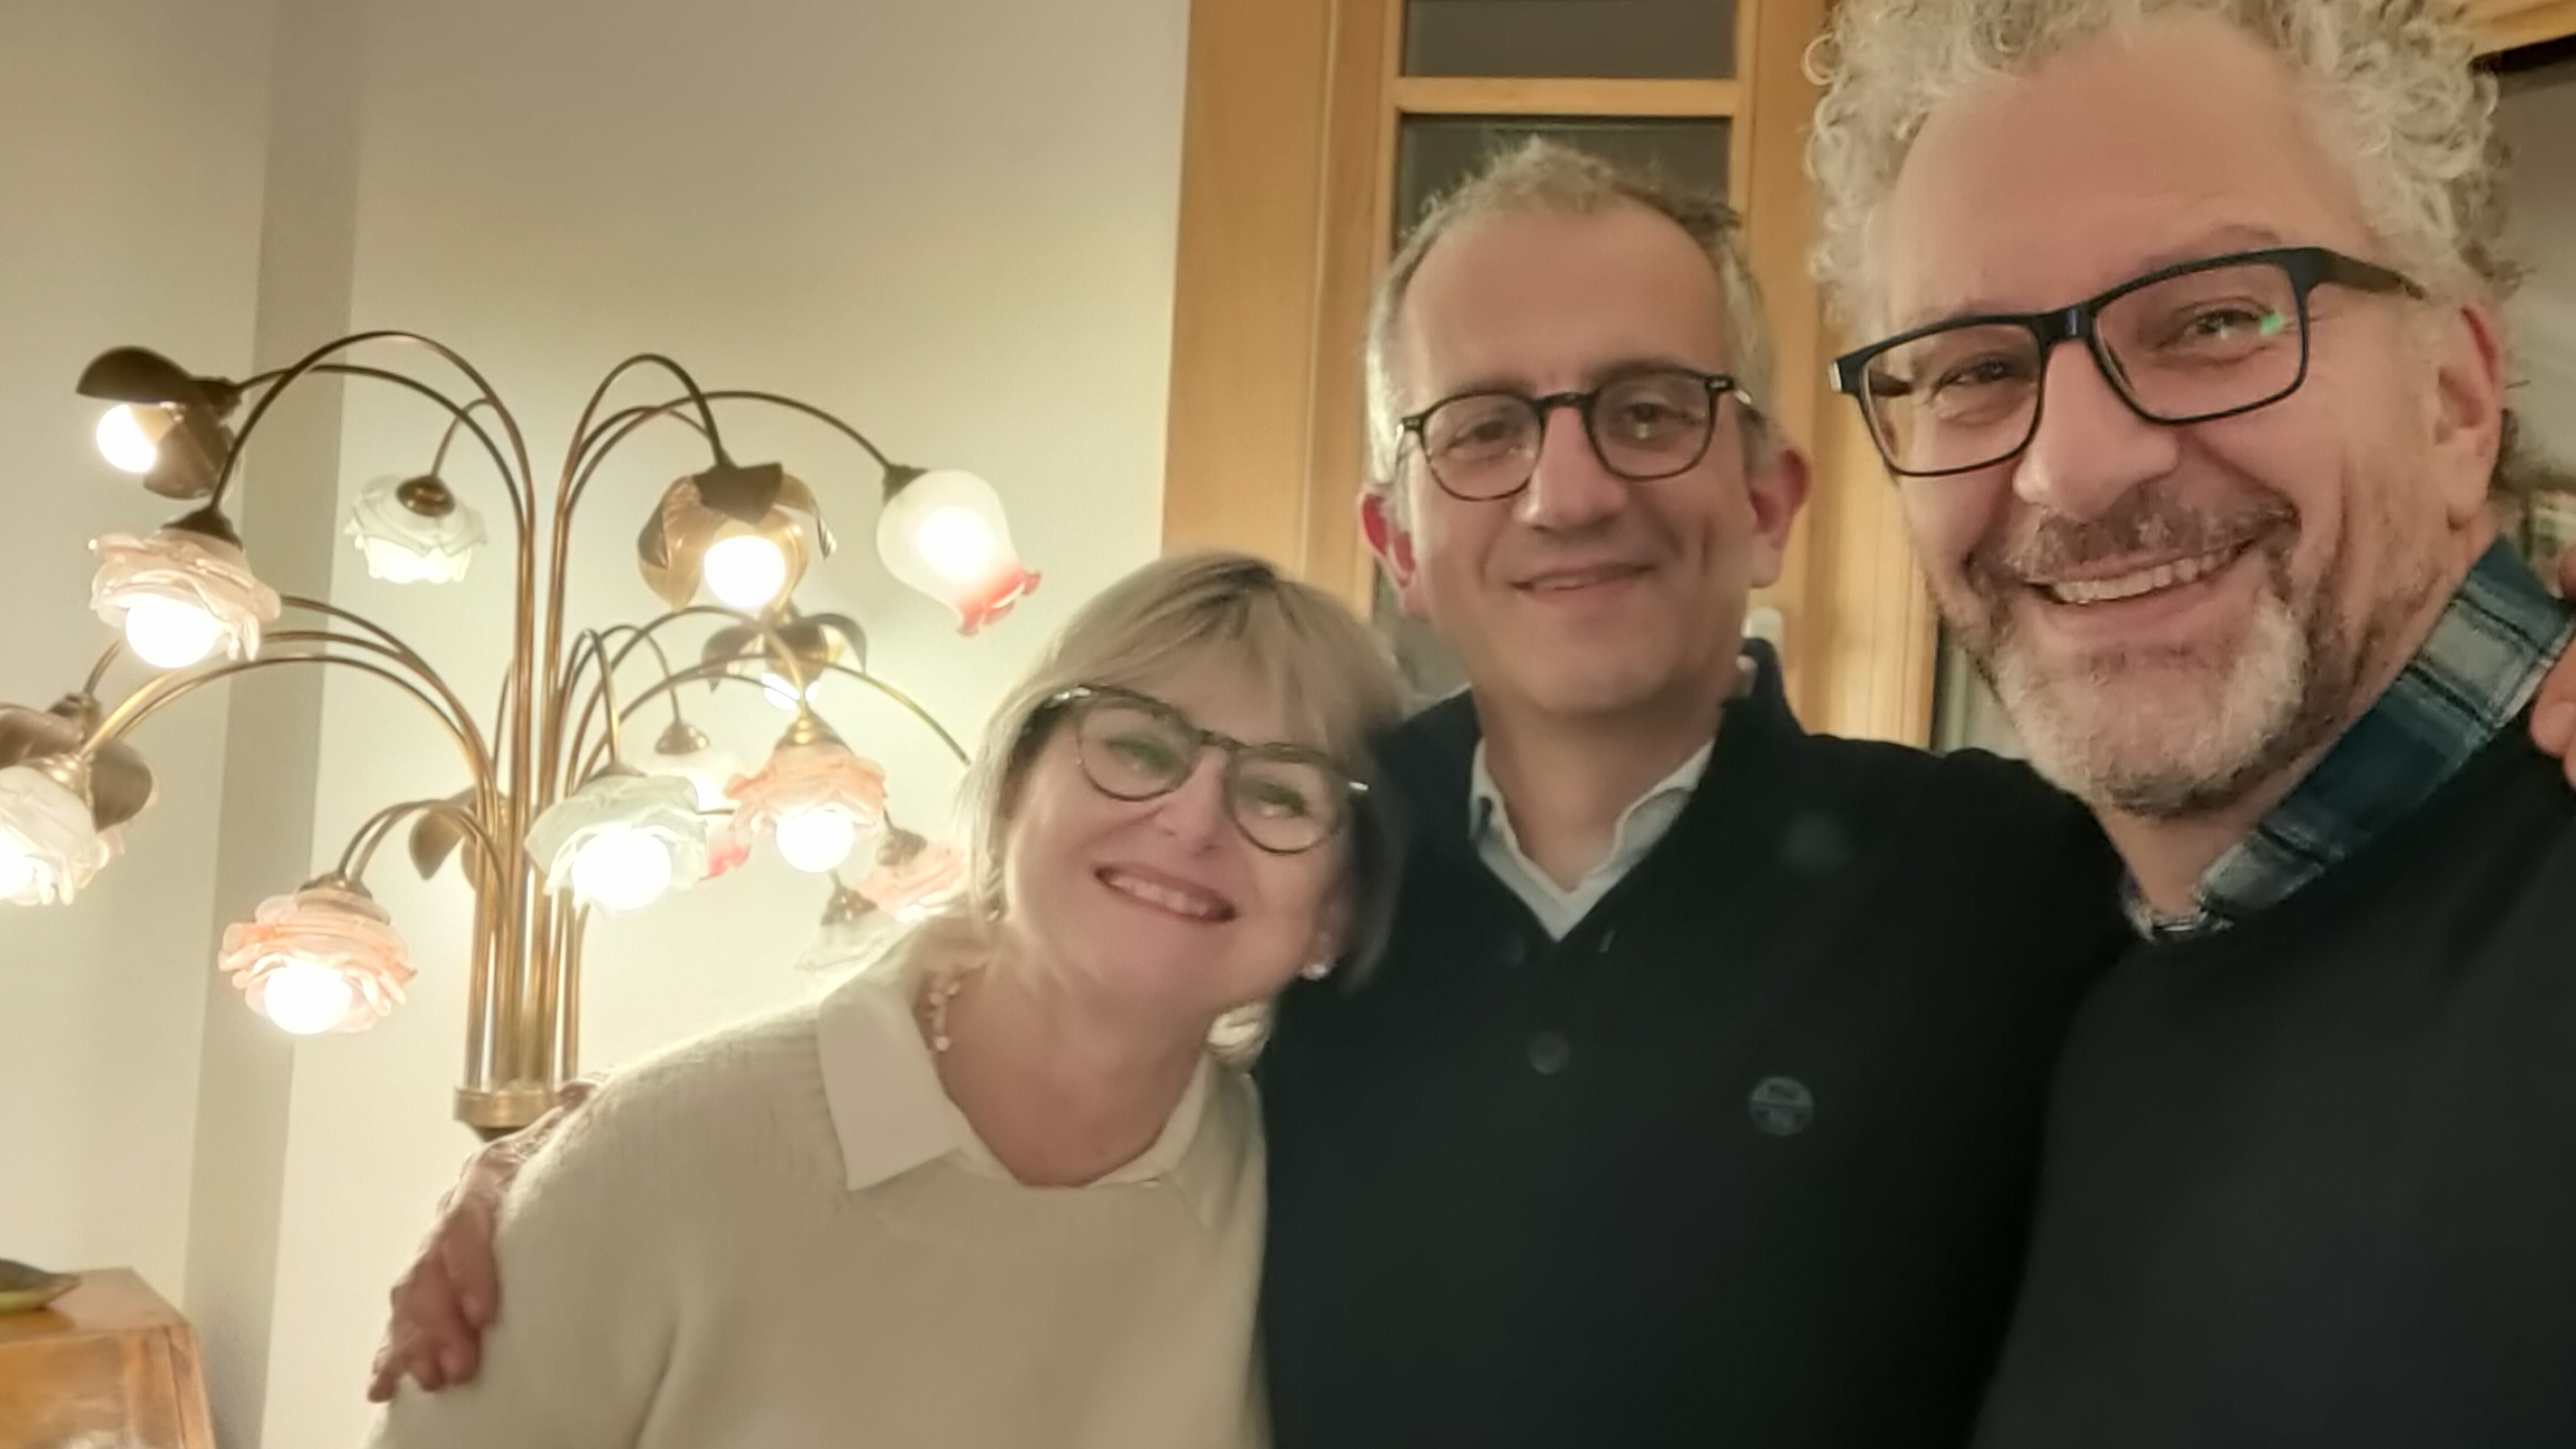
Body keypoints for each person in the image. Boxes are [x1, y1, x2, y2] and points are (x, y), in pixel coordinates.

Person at [372, 137, 2576, 1446]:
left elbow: (2321, 880)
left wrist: (2535, 667)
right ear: (1398, 531)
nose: (1566, 488)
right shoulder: (1292, 863)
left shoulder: (2008, 872)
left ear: (1768, 491)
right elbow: (1016, 1001)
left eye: (1644, 409)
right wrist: (559, 1170)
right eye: (1485, 428)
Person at [1805, 1, 2576, 1443]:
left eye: (2215, 320)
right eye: (1974, 369)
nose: (2073, 469)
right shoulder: (2068, 991)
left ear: (2457, 403)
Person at [362, 551, 1405, 1448]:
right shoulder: (653, 1158)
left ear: (1336, 913)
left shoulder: (1314, 1221)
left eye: (1281, 793)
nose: (1193, 818)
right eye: (1139, 746)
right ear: (1012, 790)